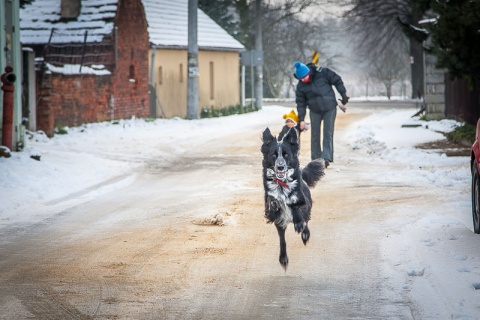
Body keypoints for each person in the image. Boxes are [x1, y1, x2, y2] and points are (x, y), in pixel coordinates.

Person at [293, 61, 349, 168]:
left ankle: (326, 158)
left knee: (328, 133)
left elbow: (337, 80)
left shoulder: (322, 72)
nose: (303, 80)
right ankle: (316, 160)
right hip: (314, 110)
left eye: (305, 77)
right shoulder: (301, 86)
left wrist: (343, 94)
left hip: (330, 107)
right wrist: (301, 119)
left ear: (308, 72)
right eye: (301, 79)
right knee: (315, 135)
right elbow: (301, 103)